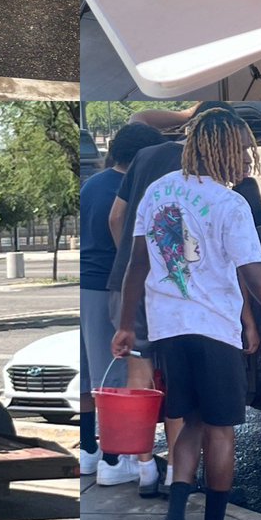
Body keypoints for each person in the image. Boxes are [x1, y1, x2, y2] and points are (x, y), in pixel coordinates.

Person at [115, 108, 261, 520]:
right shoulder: (230, 205)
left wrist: (127, 325)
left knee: (192, 424)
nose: (246, 159)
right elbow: (254, 272)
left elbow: (137, 267)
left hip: (168, 328)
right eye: (243, 151)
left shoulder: (158, 191)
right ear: (225, 150)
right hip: (212, 330)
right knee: (221, 432)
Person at [78, 122, 167, 482]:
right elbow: (121, 227)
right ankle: (115, 461)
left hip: (84, 283)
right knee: (115, 376)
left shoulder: (92, 184)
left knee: (89, 375)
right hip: (106, 285)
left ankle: (88, 450)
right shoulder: (129, 189)